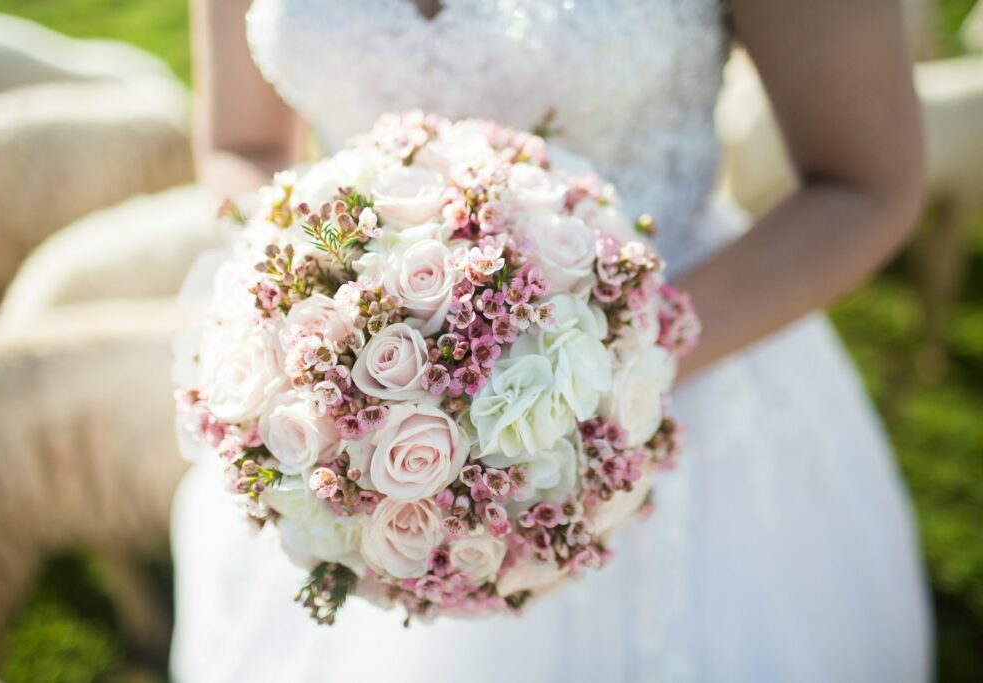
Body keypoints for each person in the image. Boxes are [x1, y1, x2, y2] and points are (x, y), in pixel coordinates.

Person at [171, 1, 932, 680]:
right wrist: (300, 321)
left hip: (688, 372)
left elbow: (864, 181)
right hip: (340, 422)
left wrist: (616, 363)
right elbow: (243, 143)